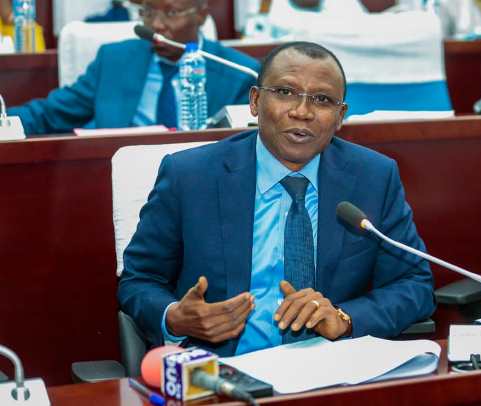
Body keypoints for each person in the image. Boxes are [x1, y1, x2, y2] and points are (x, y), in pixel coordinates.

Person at [117, 41, 436, 356]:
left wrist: (345, 318)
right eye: (285, 92)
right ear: (255, 101)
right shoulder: (190, 176)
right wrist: (176, 317)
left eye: (322, 100)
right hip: (224, 368)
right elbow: (139, 280)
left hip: (335, 366)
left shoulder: (373, 177)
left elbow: (414, 284)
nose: (302, 112)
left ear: (340, 116)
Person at [7, 0, 259, 136]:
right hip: (117, 174)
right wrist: (4, 123)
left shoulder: (239, 73)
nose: (157, 25)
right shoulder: (114, 60)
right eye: (148, 12)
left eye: (171, 12)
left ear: (201, 15)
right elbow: (50, 113)